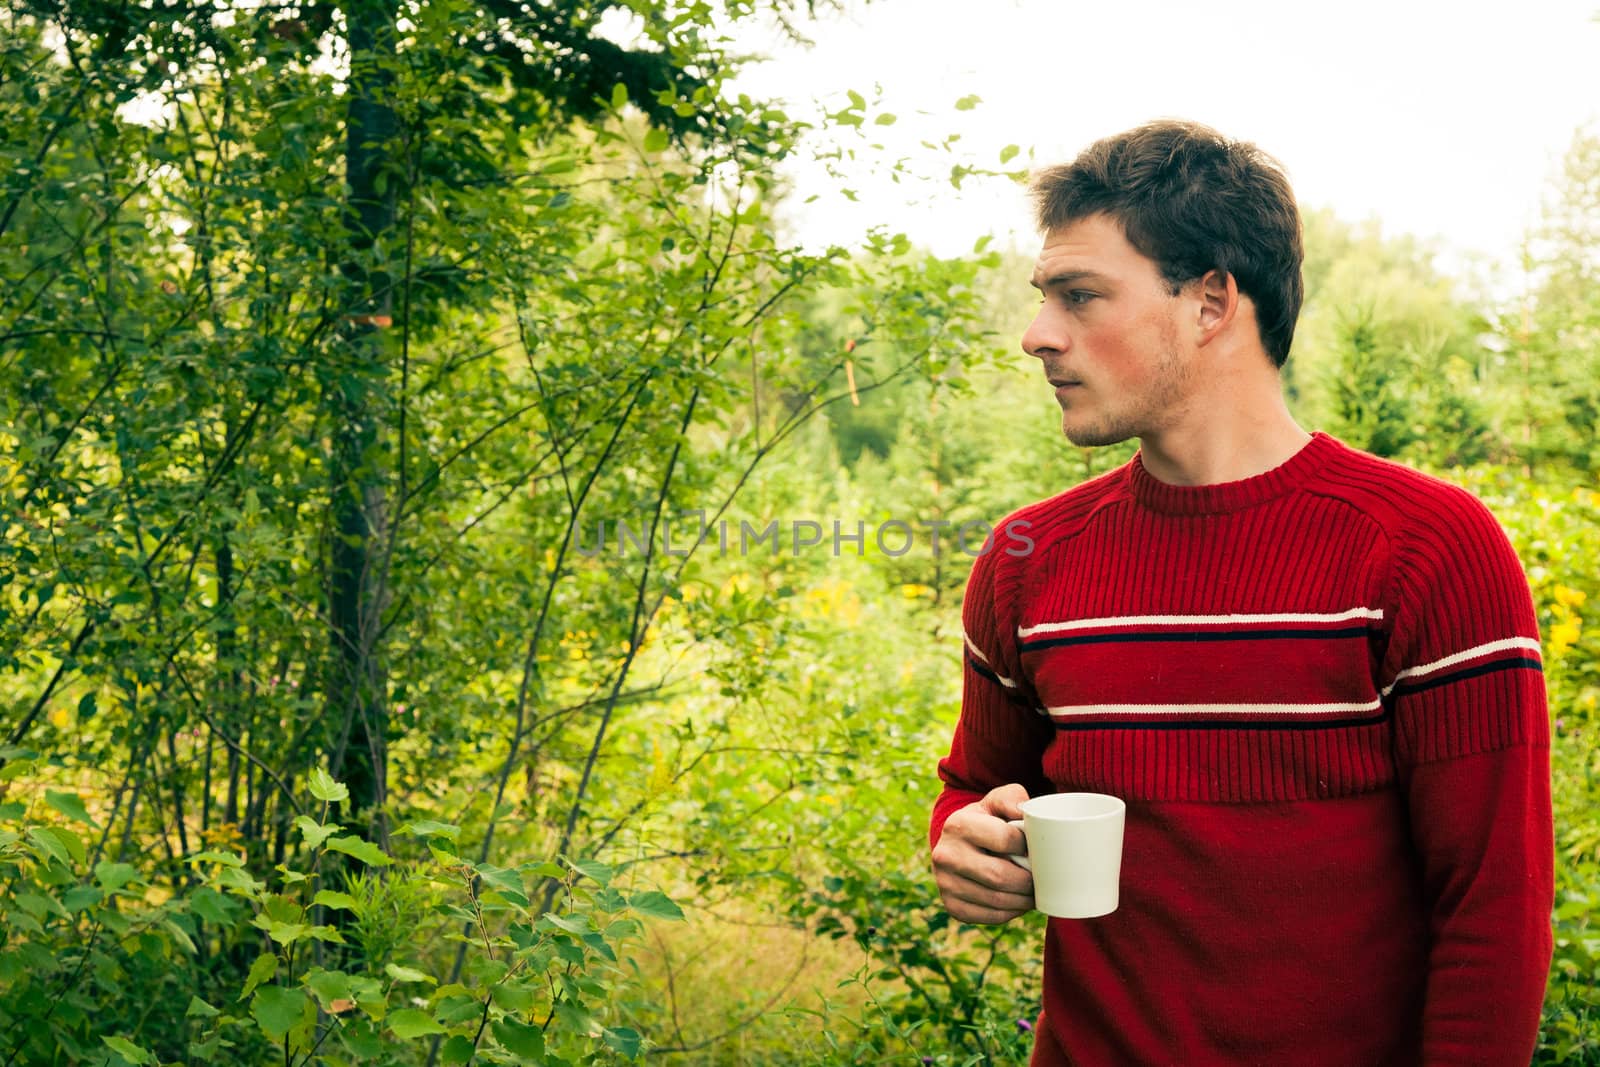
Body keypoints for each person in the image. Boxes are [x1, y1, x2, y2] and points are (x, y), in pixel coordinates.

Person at [929, 120, 1554, 1066]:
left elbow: (1492, 912)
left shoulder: (1426, 549)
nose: (1038, 334)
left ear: (1212, 300)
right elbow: (978, 786)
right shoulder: (1026, 559)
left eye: (1080, 295)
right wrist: (967, 844)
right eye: (1044, 297)